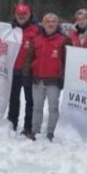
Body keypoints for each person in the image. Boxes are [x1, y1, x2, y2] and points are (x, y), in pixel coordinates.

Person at [23, 13, 69, 141]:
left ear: (57, 24)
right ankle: (35, 130)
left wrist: (64, 77)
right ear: (43, 24)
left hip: (54, 81)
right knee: (37, 107)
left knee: (53, 108)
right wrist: (26, 74)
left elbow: (68, 61)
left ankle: (50, 132)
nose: (50, 23)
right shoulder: (36, 39)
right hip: (37, 80)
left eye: (54, 21)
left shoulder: (63, 40)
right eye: (47, 21)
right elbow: (29, 58)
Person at [9, 3, 41, 134]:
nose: (21, 17)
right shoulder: (9, 28)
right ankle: (12, 123)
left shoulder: (37, 30)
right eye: (19, 14)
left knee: (30, 100)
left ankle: (28, 126)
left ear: (30, 15)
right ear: (15, 15)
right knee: (13, 99)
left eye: (24, 14)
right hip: (13, 70)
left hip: (29, 71)